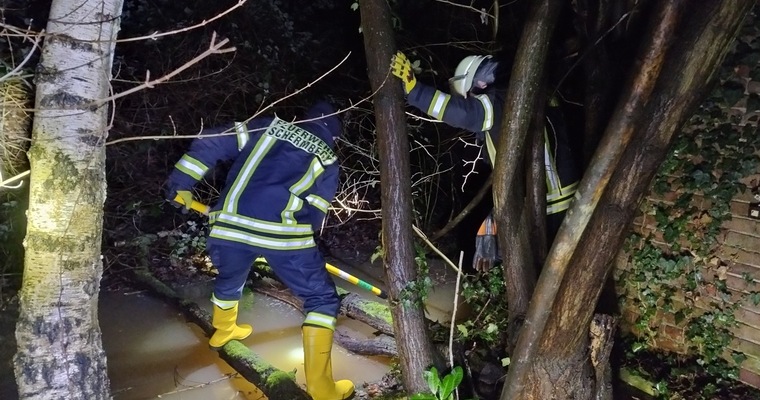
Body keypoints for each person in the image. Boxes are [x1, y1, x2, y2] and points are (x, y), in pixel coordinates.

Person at [164, 101, 354, 400]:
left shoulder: (268, 127)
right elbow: (316, 211)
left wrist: (182, 183)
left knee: (231, 277)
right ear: (334, 134)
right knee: (321, 299)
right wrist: (301, 245)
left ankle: (223, 330)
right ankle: (322, 389)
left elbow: (211, 141)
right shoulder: (328, 158)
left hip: (229, 226)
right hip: (284, 235)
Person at [390, 51, 581, 269]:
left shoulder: (499, 101)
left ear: (477, 83)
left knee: (545, 272)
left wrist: (415, 90)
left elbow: (461, 113)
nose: (470, 101)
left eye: (470, 96)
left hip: (549, 202)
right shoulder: (523, 95)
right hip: (558, 196)